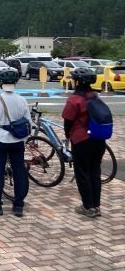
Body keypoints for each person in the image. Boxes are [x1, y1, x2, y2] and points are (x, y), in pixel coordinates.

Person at [0, 70, 29, 216]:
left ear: (0, 83)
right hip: (17, 141)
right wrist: (24, 139)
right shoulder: (22, 100)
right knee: (19, 172)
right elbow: (28, 123)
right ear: (15, 83)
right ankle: (18, 206)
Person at [62, 67, 106, 218]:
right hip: (99, 139)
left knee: (82, 173)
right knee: (95, 172)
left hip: (81, 140)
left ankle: (88, 207)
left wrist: (68, 135)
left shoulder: (74, 99)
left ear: (78, 82)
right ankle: (96, 205)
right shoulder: (95, 96)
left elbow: (68, 121)